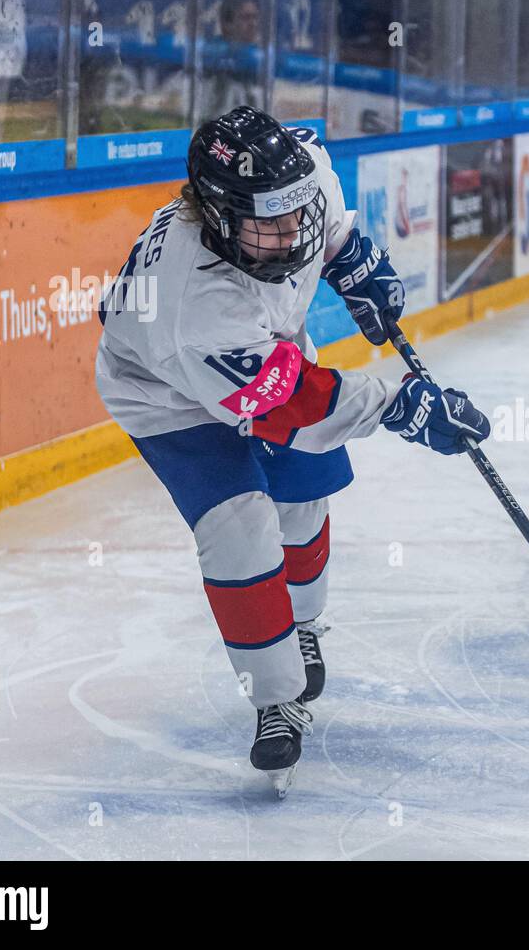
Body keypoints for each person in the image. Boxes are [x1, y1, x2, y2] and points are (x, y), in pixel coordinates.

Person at [95, 106, 490, 796]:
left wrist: (354, 259)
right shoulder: (197, 308)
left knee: (303, 502)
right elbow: (296, 408)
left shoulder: (301, 176)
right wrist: (403, 405)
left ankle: (303, 625)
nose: (290, 231)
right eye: (269, 222)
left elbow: (326, 223)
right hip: (166, 394)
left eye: (297, 212)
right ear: (218, 216)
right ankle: (274, 700)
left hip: (262, 356)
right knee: (240, 527)